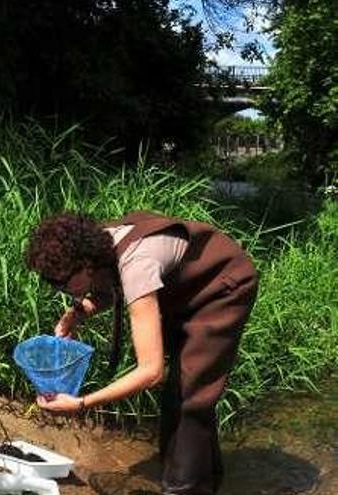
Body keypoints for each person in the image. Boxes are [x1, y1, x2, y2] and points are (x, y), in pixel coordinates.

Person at [25, 211, 259, 495]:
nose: (59, 289)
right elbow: (107, 290)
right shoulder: (97, 249)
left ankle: (183, 489)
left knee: (189, 395)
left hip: (223, 286)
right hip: (183, 291)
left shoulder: (137, 263)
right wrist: (79, 312)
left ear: (84, 265)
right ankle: (206, 475)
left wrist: (82, 403)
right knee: (187, 388)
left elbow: (150, 372)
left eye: (61, 282)